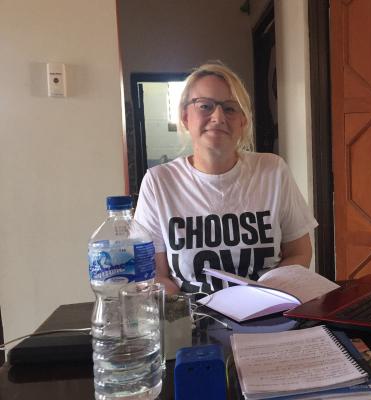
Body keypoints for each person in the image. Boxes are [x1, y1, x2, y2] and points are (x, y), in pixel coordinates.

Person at [134, 61, 318, 295]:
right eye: (205, 106)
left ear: (243, 121)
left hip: (267, 316)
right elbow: (156, 275)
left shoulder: (273, 170)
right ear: (184, 117)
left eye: (230, 108)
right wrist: (187, 320)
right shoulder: (158, 182)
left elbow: (299, 252)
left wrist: (266, 298)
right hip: (192, 322)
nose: (218, 117)